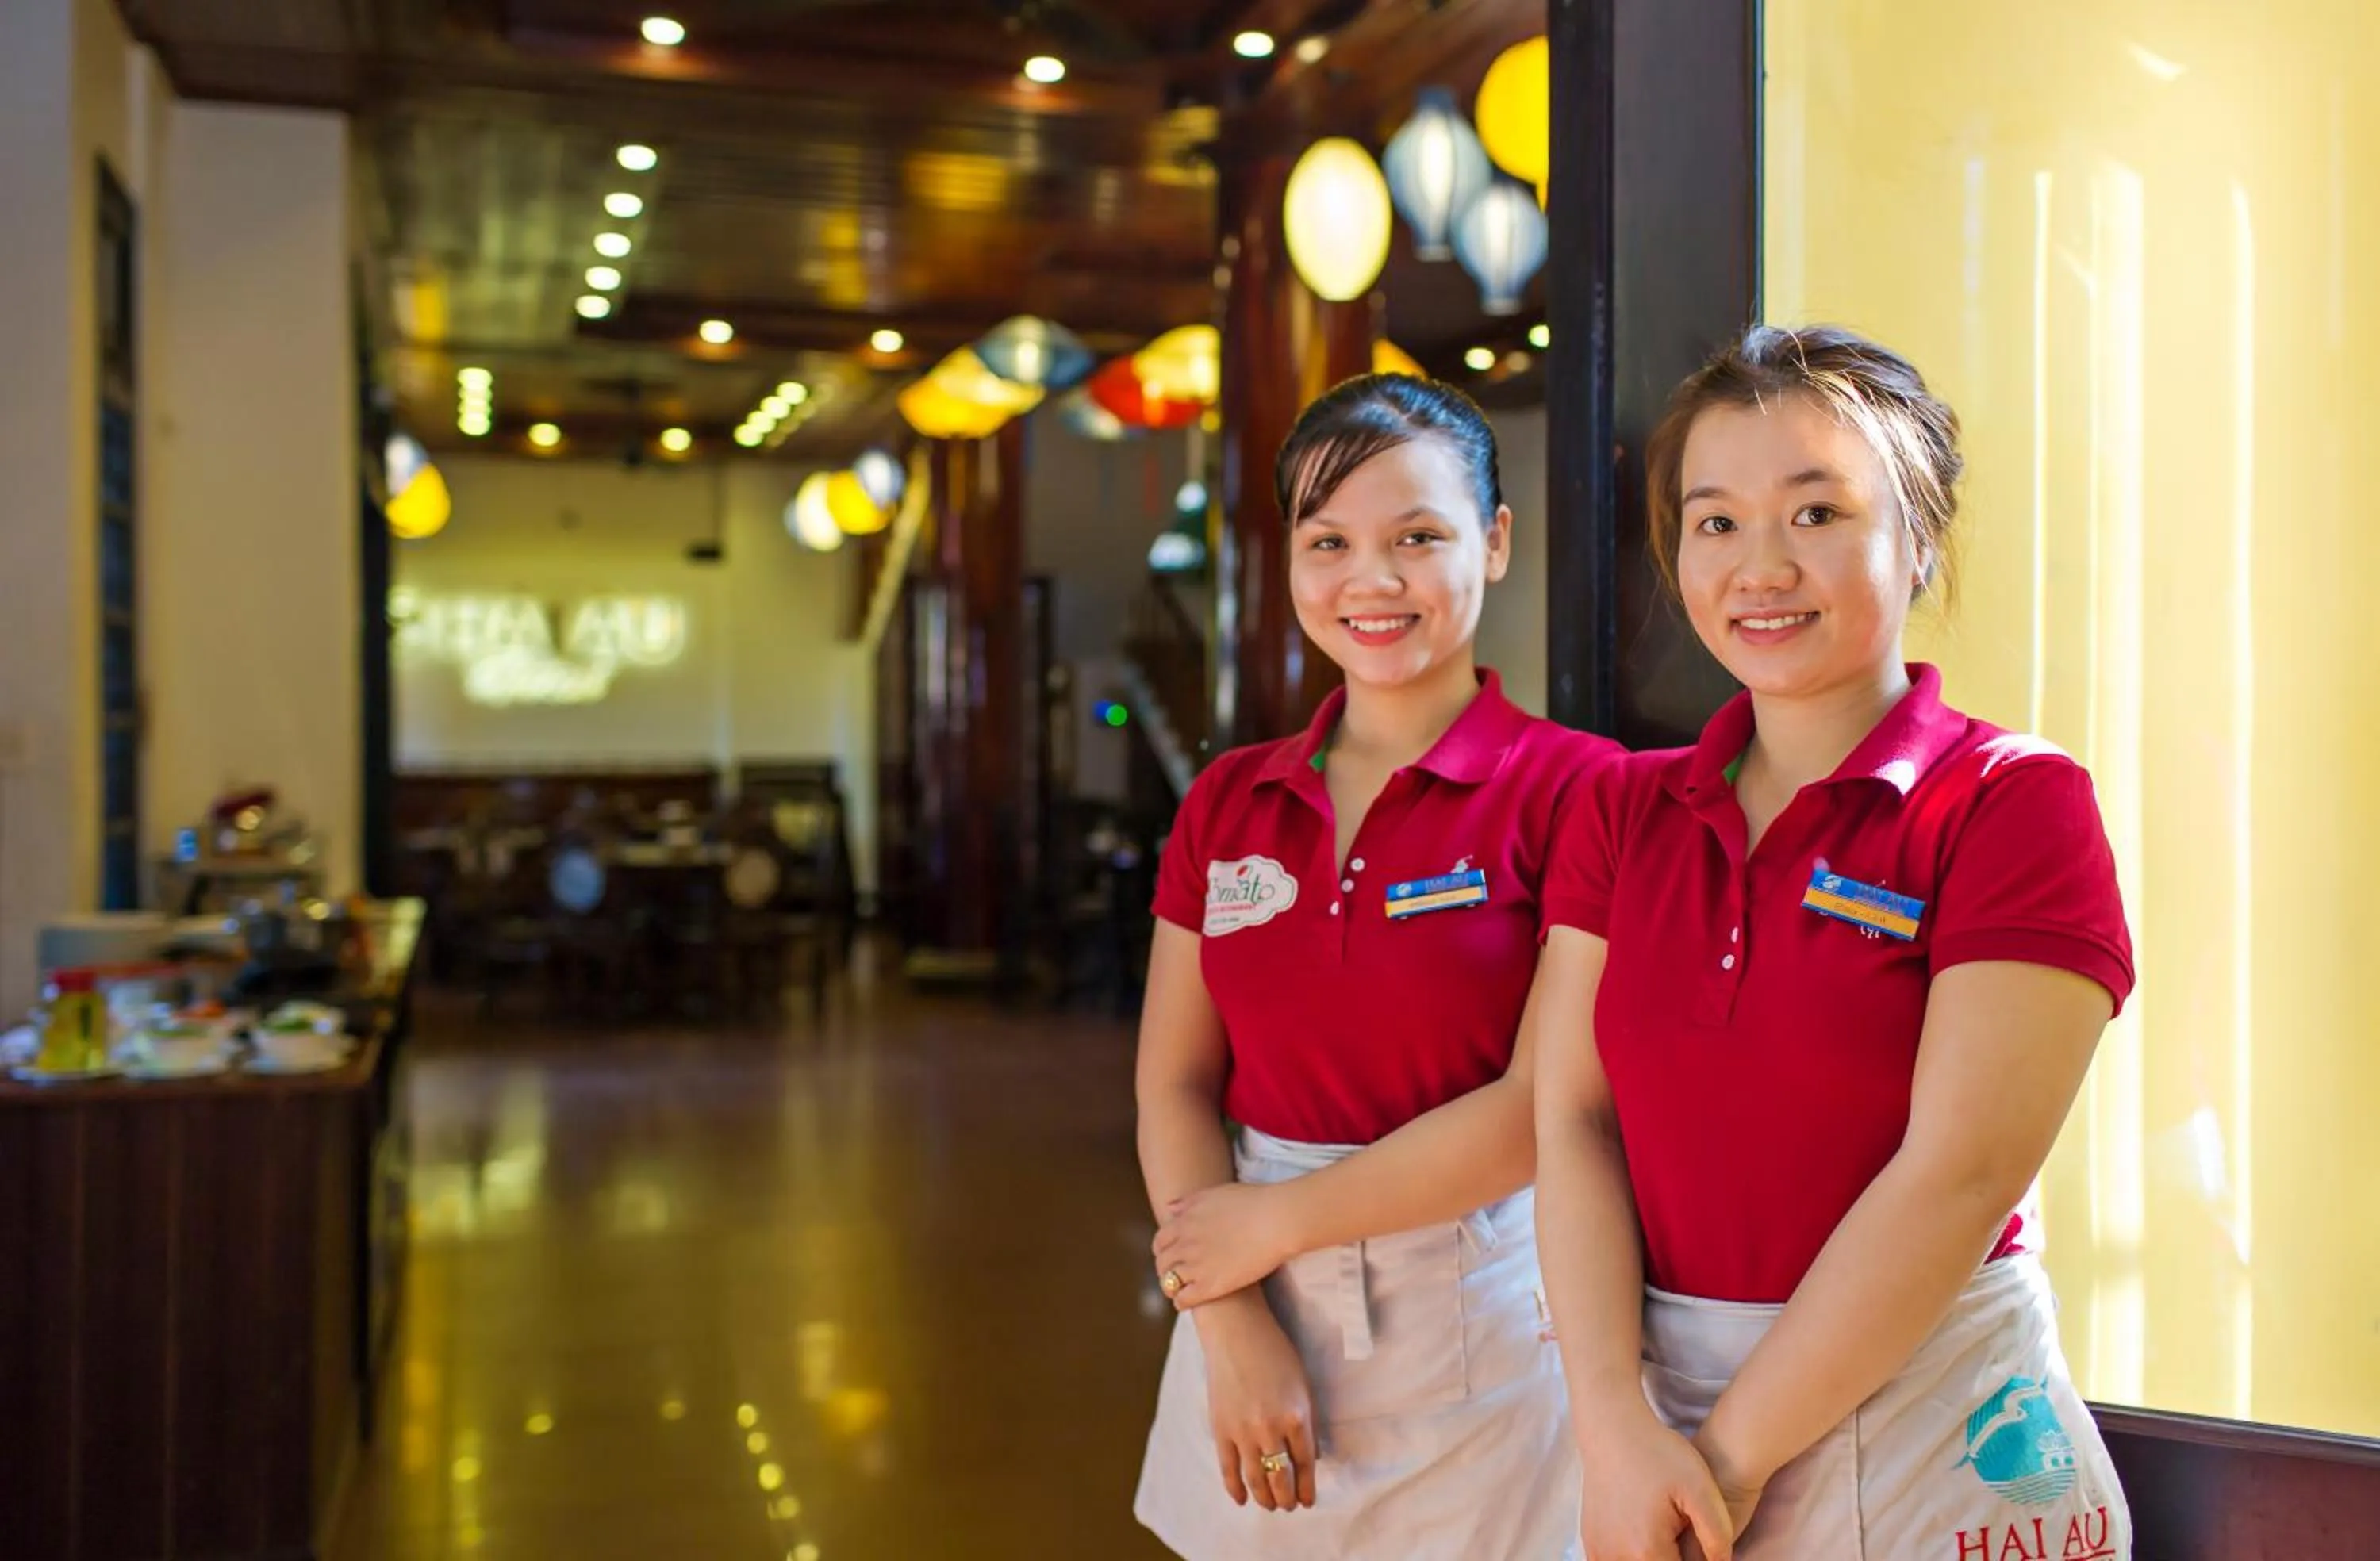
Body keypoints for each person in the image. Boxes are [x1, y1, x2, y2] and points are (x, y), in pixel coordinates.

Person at [1531, 324, 2136, 1560]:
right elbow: (1573, 1120)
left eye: (1817, 513)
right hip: (1655, 1431)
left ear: (1918, 540)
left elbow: (1958, 1176)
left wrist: (1723, 1470)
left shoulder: (2012, 802)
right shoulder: (1620, 811)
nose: (1762, 566)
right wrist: (1612, 1427)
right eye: (1716, 522)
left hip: (1936, 1435)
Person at [1134, 373, 1615, 1559]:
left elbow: (1543, 1109)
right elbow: (1175, 1085)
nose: (1372, 580)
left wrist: (1272, 1224)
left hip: (1479, 1317)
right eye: (1330, 542)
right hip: (1242, 1306)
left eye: (1418, 538)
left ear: (1495, 543)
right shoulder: (1228, 800)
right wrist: (1230, 1321)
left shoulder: (1581, 791)